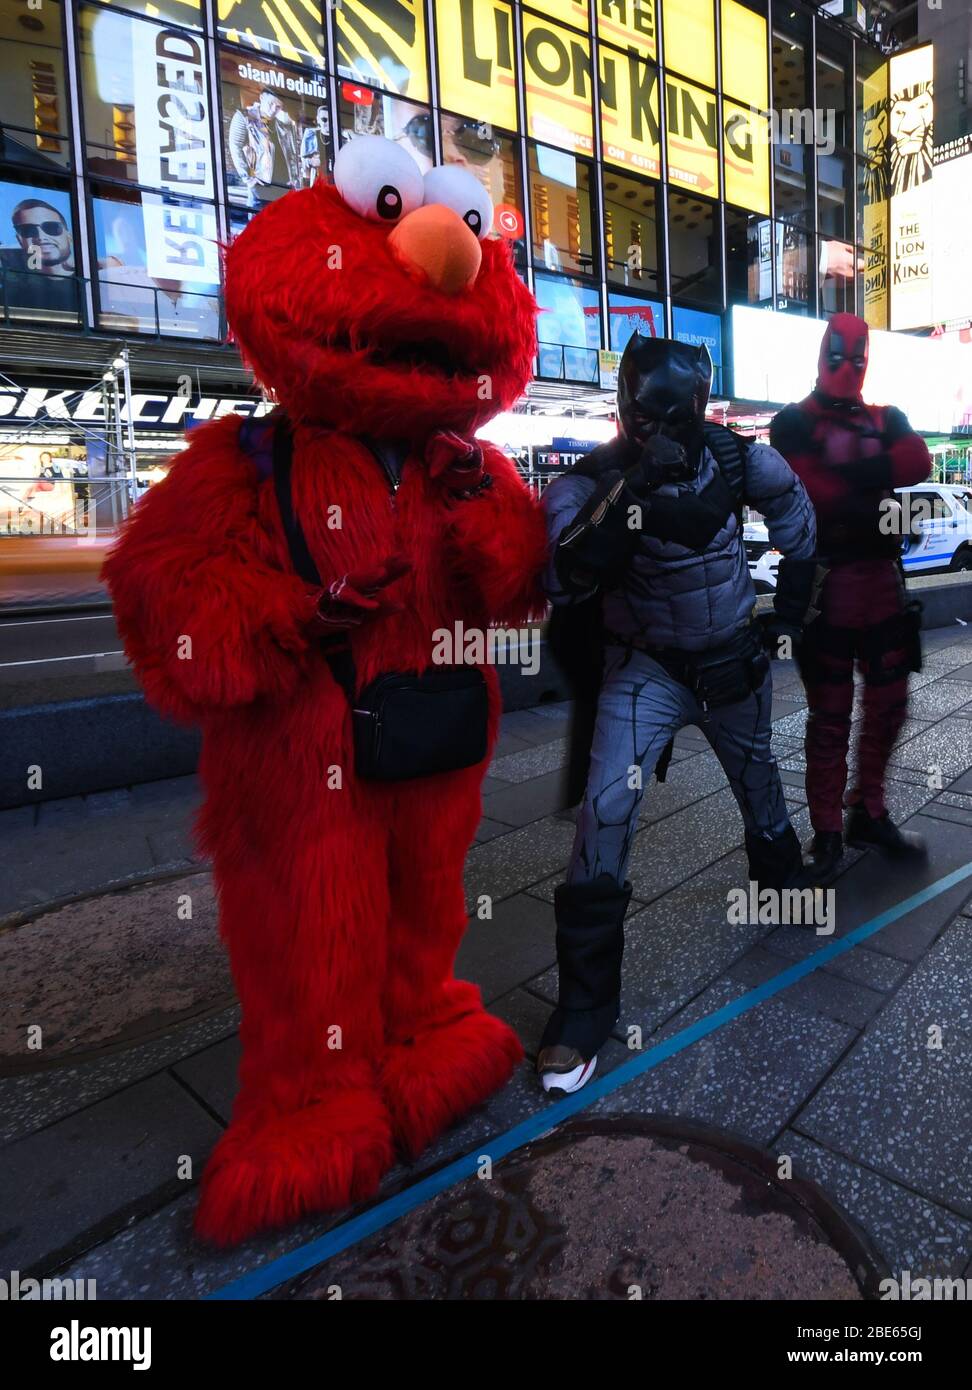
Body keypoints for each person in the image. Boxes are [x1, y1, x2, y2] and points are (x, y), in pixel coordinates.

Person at [104, 134, 546, 1245]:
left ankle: (423, 1034)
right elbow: (163, 594)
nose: (442, 254)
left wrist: (489, 516)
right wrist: (294, 620)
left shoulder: (471, 459)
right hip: (303, 757)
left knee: (422, 904)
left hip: (435, 742)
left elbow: (522, 590)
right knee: (309, 923)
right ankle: (308, 1103)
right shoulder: (250, 458)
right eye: (392, 212)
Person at [538, 334, 819, 1097]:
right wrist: (627, 497)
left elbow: (800, 530)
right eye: (648, 413)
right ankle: (584, 1010)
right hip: (646, 668)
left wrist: (785, 621)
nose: (663, 425)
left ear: (700, 404)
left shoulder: (736, 459)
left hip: (731, 660)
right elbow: (561, 578)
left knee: (760, 792)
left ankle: (782, 883)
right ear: (626, 411)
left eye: (678, 411)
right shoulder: (591, 481)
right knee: (606, 811)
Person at [770, 312, 932, 880]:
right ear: (821, 354)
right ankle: (830, 830)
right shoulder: (791, 422)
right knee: (830, 716)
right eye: (838, 356)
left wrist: (846, 472)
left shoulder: (884, 416)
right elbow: (816, 489)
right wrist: (870, 478)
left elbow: (920, 461)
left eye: (857, 357)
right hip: (828, 586)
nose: (847, 368)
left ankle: (867, 810)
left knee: (889, 707)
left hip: (879, 585)